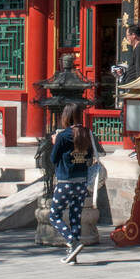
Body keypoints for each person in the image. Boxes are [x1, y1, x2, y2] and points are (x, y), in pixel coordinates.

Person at [49, 102, 95, 264]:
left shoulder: (63, 136)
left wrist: (55, 142)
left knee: (54, 215)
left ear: (66, 116)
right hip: (82, 181)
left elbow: (53, 159)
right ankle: (73, 255)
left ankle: (72, 241)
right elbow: (89, 156)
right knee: (75, 216)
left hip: (65, 181)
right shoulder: (86, 133)